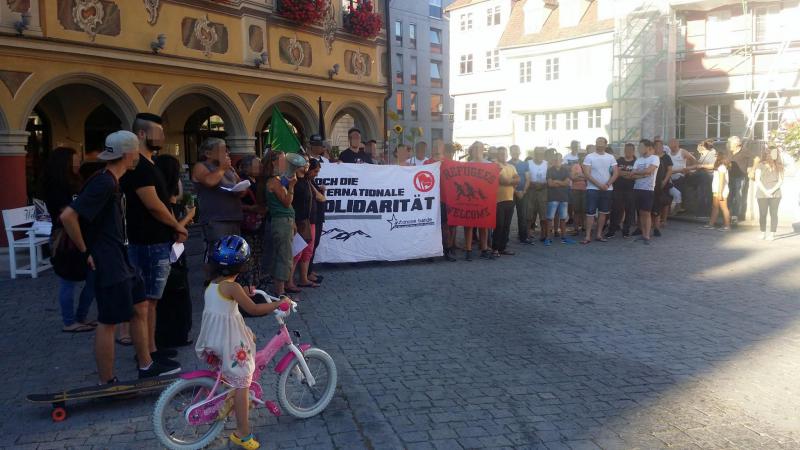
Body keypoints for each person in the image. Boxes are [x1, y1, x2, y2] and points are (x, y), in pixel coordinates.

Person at [60, 131, 179, 382]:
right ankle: (106, 380)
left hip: (121, 256)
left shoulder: (113, 180)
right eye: (135, 150)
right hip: (108, 258)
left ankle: (146, 364)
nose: (137, 155)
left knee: (140, 306)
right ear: (127, 154)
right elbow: (68, 216)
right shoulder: (103, 181)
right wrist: (86, 252)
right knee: (109, 320)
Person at [195, 235, 291, 450]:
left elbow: (228, 311)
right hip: (228, 342)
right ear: (243, 264)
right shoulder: (233, 288)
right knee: (243, 383)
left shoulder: (213, 284)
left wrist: (245, 323)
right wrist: (278, 303)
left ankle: (232, 399)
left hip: (214, 338)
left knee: (239, 364)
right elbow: (254, 309)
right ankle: (243, 434)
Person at [122, 113, 187, 369]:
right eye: (156, 133)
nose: (161, 137)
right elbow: (153, 205)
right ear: (141, 135)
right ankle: (145, 358)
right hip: (148, 241)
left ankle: (152, 348)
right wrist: (176, 225)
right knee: (146, 301)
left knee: (153, 300)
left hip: (157, 240)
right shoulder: (139, 167)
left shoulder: (151, 164)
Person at [44, 147, 97, 333]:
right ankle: (69, 322)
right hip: (66, 238)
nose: (78, 163)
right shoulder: (56, 186)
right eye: (75, 160)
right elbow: (65, 215)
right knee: (67, 280)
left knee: (92, 277)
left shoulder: (76, 180)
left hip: (83, 234)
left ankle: (80, 316)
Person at [154, 154, 196, 348]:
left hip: (176, 255)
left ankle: (177, 333)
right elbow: (176, 232)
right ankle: (173, 335)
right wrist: (189, 217)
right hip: (172, 255)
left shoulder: (164, 200)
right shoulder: (163, 203)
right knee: (174, 296)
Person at [192, 137, 244, 284]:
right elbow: (209, 181)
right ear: (208, 153)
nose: (225, 153)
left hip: (233, 217)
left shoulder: (229, 168)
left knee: (233, 256)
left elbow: (241, 187)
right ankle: (212, 285)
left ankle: (230, 286)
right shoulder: (201, 166)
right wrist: (222, 168)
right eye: (221, 150)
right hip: (215, 220)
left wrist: (240, 187)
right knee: (216, 254)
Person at [266, 152, 300, 296]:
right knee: (284, 256)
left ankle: (279, 289)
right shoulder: (274, 181)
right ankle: (280, 292)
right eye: (282, 160)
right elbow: (286, 202)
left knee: (282, 255)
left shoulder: (278, 180)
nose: (285, 163)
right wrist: (292, 186)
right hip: (281, 222)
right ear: (274, 162)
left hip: (284, 221)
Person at [288, 156, 320, 291]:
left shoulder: (307, 180)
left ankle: (303, 278)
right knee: (296, 252)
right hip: (298, 221)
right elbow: (289, 202)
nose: (306, 165)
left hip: (308, 221)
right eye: (303, 163)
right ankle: (289, 282)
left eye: (307, 163)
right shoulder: (292, 181)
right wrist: (293, 221)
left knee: (306, 251)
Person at [237, 156, 267, 293]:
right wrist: (251, 208)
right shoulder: (243, 181)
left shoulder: (257, 180)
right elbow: (236, 202)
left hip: (258, 224)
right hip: (248, 226)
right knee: (249, 256)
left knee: (257, 254)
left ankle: (256, 283)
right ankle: (248, 286)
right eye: (257, 164)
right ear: (247, 167)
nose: (260, 166)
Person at [581, 137, 619, 244]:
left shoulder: (611, 157)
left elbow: (616, 173)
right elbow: (587, 174)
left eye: (602, 143)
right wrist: (599, 185)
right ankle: (588, 236)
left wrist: (607, 184)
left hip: (607, 189)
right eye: (598, 142)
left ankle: (598, 234)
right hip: (592, 189)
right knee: (590, 213)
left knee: (603, 212)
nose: (599, 144)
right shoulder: (589, 157)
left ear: (606, 145)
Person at [464, 141, 492, 261]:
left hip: (484, 198)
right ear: (471, 150)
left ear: (482, 150)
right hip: (470, 198)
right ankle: (468, 250)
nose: (476, 150)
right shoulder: (467, 165)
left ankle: (484, 249)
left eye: (478, 148)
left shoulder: (489, 164)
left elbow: (494, 179)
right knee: (469, 225)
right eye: (474, 148)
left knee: (483, 225)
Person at [630, 139, 660, 245]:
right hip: (637, 188)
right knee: (641, 213)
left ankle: (647, 235)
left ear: (649, 147)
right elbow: (632, 175)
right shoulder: (638, 160)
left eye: (641, 146)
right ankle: (643, 233)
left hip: (648, 189)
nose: (639, 148)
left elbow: (649, 171)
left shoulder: (655, 158)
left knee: (647, 213)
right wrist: (642, 174)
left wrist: (638, 173)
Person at [492, 147, 518, 257]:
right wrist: (511, 181)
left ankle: (503, 248)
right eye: (501, 153)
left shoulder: (511, 166)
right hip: (498, 200)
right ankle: (495, 249)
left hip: (510, 199)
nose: (503, 155)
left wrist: (510, 181)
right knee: (499, 225)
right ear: (497, 155)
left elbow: (518, 179)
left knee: (507, 225)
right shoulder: (495, 165)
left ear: (507, 155)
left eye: (504, 153)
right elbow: (502, 180)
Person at [754, 146, 784, 240]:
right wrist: (765, 191)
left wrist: (771, 191)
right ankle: (763, 232)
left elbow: (780, 180)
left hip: (775, 193)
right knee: (763, 213)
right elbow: (757, 179)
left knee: (773, 213)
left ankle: (772, 234)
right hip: (762, 193)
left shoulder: (779, 165)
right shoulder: (760, 165)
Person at [607, 143, 637, 239]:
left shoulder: (637, 162)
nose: (627, 151)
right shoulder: (618, 160)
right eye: (626, 149)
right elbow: (613, 171)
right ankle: (612, 230)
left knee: (629, 211)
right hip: (617, 189)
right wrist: (628, 174)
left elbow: (636, 175)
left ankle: (626, 230)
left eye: (630, 150)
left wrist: (621, 173)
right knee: (615, 211)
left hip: (631, 190)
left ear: (633, 151)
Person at [545, 153, 574, 246]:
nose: (557, 161)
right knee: (550, 218)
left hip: (563, 198)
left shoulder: (565, 170)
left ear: (561, 160)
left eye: (558, 159)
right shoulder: (549, 170)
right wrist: (561, 182)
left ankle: (564, 237)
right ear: (552, 160)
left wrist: (556, 181)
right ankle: (548, 238)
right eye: (555, 159)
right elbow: (550, 184)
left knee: (563, 218)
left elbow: (567, 183)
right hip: (552, 198)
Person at [508, 145, 532, 244]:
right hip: (510, 193)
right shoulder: (507, 164)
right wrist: (515, 191)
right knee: (508, 216)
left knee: (523, 216)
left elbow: (528, 178)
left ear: (519, 152)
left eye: (517, 151)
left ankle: (523, 237)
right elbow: (508, 179)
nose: (515, 153)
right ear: (510, 152)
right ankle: (505, 237)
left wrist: (524, 191)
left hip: (523, 193)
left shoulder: (525, 164)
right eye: (513, 151)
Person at [667, 138, 696, 212]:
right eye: (670, 145)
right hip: (670, 176)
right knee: (670, 193)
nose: (671, 147)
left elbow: (693, 160)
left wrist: (688, 168)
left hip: (679, 175)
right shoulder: (668, 153)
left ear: (677, 145)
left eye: (673, 146)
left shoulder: (682, 152)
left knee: (678, 192)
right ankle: (669, 209)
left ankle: (678, 209)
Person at [705, 152, 731, 231]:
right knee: (715, 207)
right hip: (716, 190)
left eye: (716, 156)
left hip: (721, 191)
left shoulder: (722, 167)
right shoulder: (719, 167)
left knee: (724, 208)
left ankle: (727, 226)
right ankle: (711, 224)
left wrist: (720, 193)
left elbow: (722, 180)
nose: (715, 158)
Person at [526, 148, 549, 242]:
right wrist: (532, 184)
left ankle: (544, 234)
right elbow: (525, 176)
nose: (539, 155)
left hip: (543, 190)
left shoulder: (546, 163)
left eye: (541, 154)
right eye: (538, 153)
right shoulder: (528, 163)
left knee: (543, 213)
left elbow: (550, 176)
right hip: (531, 190)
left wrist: (544, 184)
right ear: (534, 154)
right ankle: (528, 233)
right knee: (529, 213)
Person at [651, 139, 673, 235]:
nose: (659, 148)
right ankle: (653, 221)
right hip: (653, 183)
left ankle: (663, 220)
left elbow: (670, 170)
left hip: (664, 182)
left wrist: (665, 180)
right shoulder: (652, 157)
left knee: (664, 202)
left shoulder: (666, 157)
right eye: (657, 146)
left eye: (661, 146)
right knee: (654, 203)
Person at [727, 136, 751, 223]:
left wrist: (751, 171)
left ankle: (737, 216)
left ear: (737, 144)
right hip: (730, 176)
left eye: (731, 144)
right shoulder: (730, 152)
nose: (729, 145)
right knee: (730, 195)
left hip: (740, 177)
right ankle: (729, 215)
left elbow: (752, 161)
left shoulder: (745, 151)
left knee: (738, 196)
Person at [691, 139, 717, 216]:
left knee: (706, 195)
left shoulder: (712, 153)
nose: (697, 147)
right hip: (702, 177)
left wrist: (701, 166)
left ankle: (705, 213)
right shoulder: (702, 154)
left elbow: (713, 166)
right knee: (700, 194)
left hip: (708, 177)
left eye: (699, 145)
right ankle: (700, 212)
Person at [570, 151, 588, 235]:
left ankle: (584, 227)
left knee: (585, 210)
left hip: (585, 190)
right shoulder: (575, 166)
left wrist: (579, 176)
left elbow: (589, 178)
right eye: (581, 156)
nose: (582, 158)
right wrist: (583, 177)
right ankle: (576, 228)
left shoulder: (588, 166)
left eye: (584, 156)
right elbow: (572, 178)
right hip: (576, 190)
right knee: (576, 210)